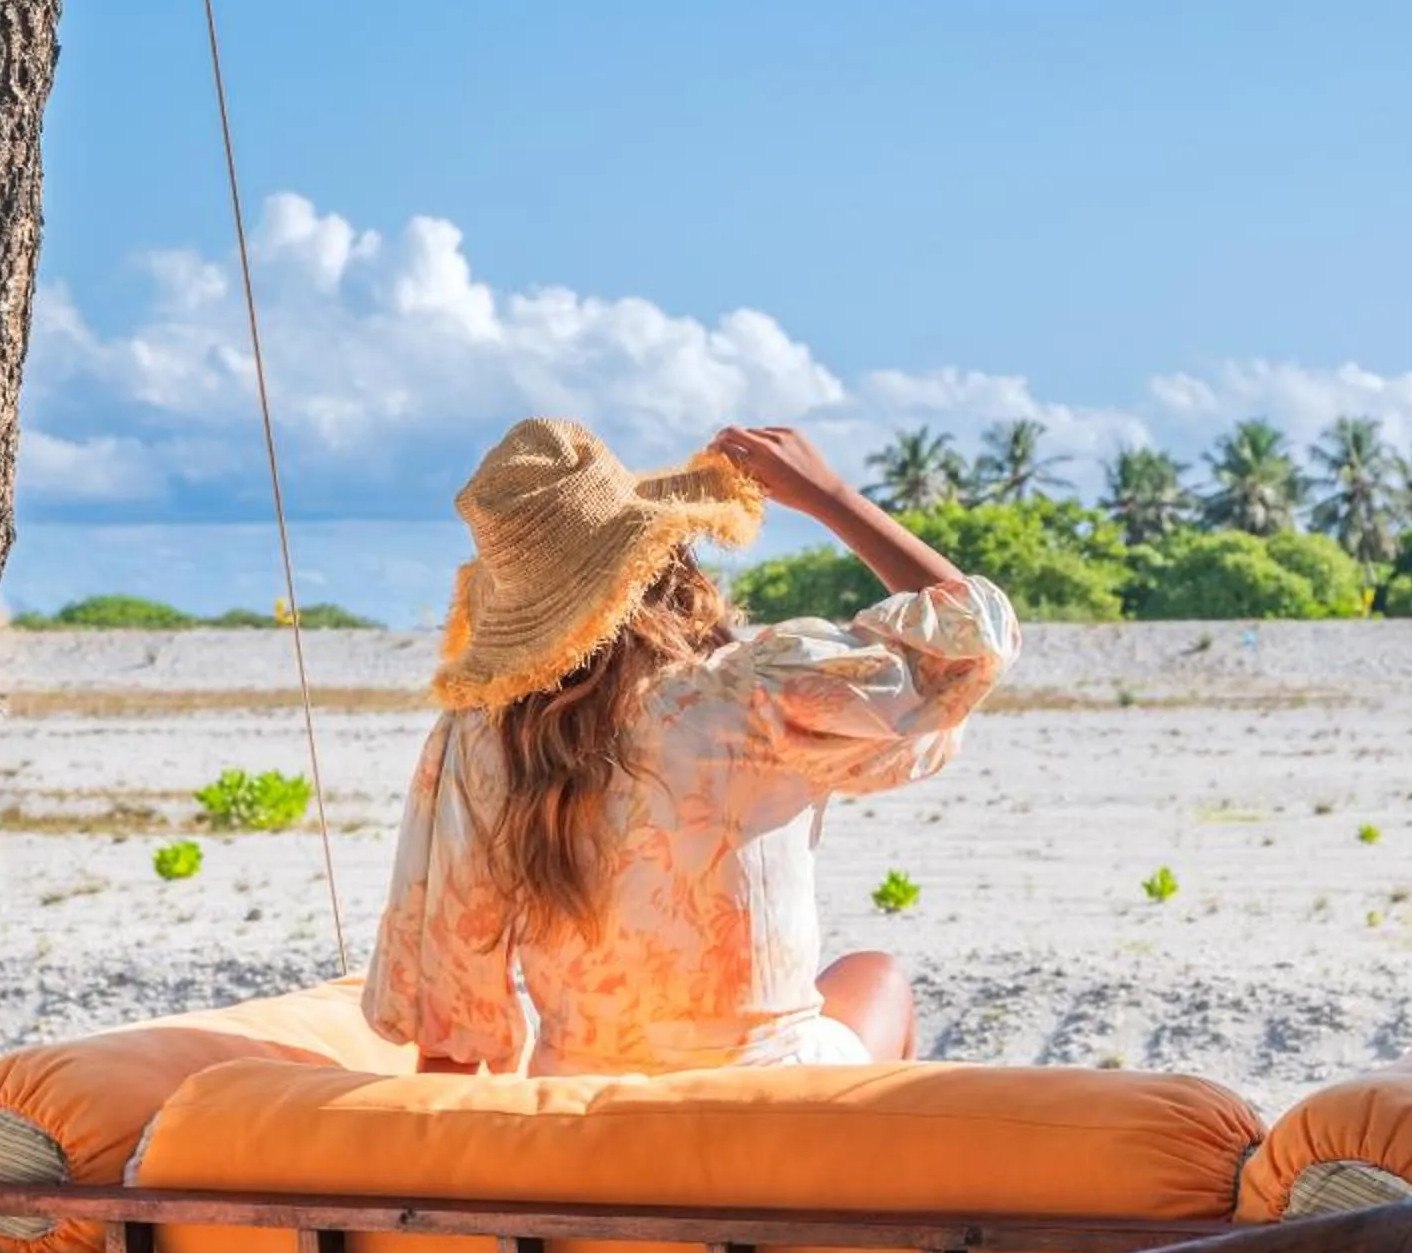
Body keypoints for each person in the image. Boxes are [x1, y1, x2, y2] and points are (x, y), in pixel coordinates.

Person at [363, 414, 1019, 1074]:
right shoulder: (757, 691)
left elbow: (449, 1013)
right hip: (764, 1104)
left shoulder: (481, 733)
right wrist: (830, 497)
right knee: (877, 977)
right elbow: (976, 637)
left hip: (581, 1114)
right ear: (663, 553)